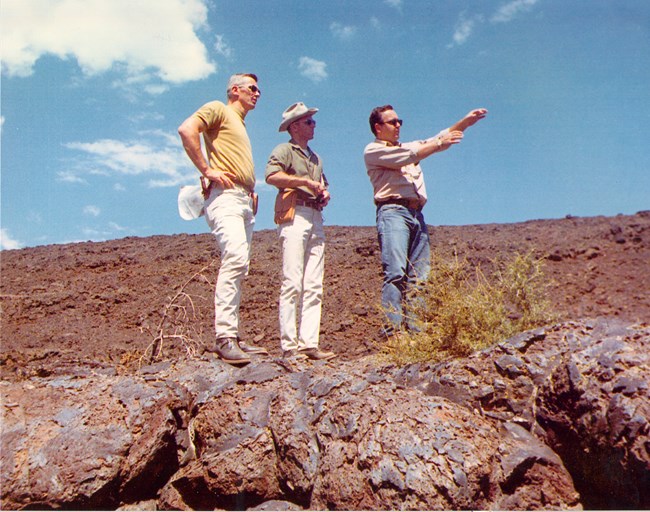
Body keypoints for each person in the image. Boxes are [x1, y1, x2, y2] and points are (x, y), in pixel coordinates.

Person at [364, 105, 488, 337]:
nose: (398, 125)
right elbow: (417, 153)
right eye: (392, 122)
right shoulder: (373, 150)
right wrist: (440, 144)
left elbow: (439, 137)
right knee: (396, 272)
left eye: (399, 120)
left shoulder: (407, 146)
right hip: (393, 211)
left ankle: (416, 331)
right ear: (378, 127)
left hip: (416, 214)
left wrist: (465, 122)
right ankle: (393, 331)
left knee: (420, 274)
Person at [178, 73, 268, 365]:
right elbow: (187, 129)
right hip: (225, 197)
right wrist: (207, 170)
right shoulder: (219, 108)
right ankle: (225, 337)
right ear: (235, 90)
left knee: (241, 266)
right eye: (252, 88)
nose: (258, 93)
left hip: (242, 198)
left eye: (258, 89)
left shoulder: (239, 124)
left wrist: (250, 189)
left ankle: (233, 336)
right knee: (236, 258)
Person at [265, 102, 336, 361]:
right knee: (292, 280)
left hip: (315, 215)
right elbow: (271, 176)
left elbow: (322, 183)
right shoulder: (284, 150)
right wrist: (303, 182)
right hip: (294, 214)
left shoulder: (315, 158)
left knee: (314, 284)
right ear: (295, 126)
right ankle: (289, 346)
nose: (313, 125)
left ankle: (309, 343)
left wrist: (324, 192)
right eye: (309, 122)